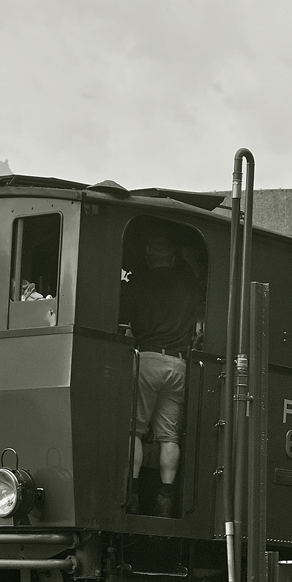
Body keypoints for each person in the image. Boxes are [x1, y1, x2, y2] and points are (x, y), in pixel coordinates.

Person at [120, 222, 201, 517]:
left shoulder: (138, 283)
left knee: (135, 432)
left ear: (149, 255)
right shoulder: (190, 284)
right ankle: (166, 499)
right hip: (179, 364)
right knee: (169, 437)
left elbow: (122, 319)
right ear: (171, 256)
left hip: (149, 358)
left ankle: (133, 494)